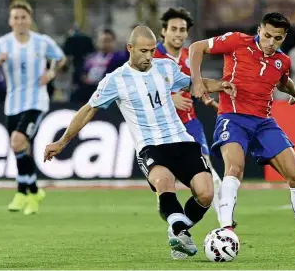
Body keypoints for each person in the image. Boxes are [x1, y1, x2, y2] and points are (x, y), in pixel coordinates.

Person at [43, 26, 236, 258]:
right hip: (150, 146)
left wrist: (220, 85)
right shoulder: (115, 80)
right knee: (164, 182)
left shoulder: (165, 67)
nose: (148, 56)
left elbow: (192, 83)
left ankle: (177, 229)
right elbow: (87, 111)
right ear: (130, 48)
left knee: (206, 194)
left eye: (152, 51)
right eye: (143, 51)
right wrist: (62, 142)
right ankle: (180, 231)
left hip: (181, 140)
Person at [189, 12, 295, 259]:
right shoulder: (236, 41)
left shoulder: (282, 61)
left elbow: (282, 82)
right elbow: (196, 47)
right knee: (234, 168)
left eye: (277, 38)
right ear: (259, 30)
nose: (270, 42)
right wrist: (197, 82)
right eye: (266, 36)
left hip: (264, 123)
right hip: (233, 118)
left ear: (283, 37)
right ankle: (226, 230)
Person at [0, 1, 66, 215]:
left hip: (36, 101)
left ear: (29, 19)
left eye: (23, 17)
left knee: (17, 141)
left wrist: (52, 73)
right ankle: (34, 193)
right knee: (22, 149)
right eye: (15, 17)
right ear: (10, 21)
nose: (19, 21)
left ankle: (20, 191)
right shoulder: (2, 44)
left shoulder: (42, 42)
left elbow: (61, 59)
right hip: (12, 103)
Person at [153, 7, 236, 229]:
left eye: (182, 30)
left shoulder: (191, 55)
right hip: (162, 129)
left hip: (190, 125)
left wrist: (206, 99)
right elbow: (142, 94)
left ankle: (225, 223)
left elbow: (195, 85)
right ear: (163, 32)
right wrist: (171, 99)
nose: (178, 34)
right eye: (173, 29)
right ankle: (174, 219)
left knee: (209, 173)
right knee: (166, 180)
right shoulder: (152, 57)